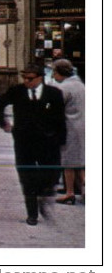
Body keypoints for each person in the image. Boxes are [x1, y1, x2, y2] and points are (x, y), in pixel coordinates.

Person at [0, 64, 66, 226]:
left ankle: (44, 195)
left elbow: (60, 119)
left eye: (30, 79)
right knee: (27, 177)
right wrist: (3, 122)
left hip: (47, 142)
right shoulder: (17, 91)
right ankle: (32, 213)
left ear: (40, 78)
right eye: (24, 78)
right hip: (23, 142)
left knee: (51, 174)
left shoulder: (54, 94)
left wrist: (61, 140)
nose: (27, 81)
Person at [50, 59, 85, 205]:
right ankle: (83, 190)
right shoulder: (80, 85)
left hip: (70, 126)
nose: (52, 75)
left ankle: (69, 192)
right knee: (80, 161)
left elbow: (55, 108)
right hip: (83, 125)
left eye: (54, 72)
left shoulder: (65, 88)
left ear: (60, 72)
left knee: (68, 161)